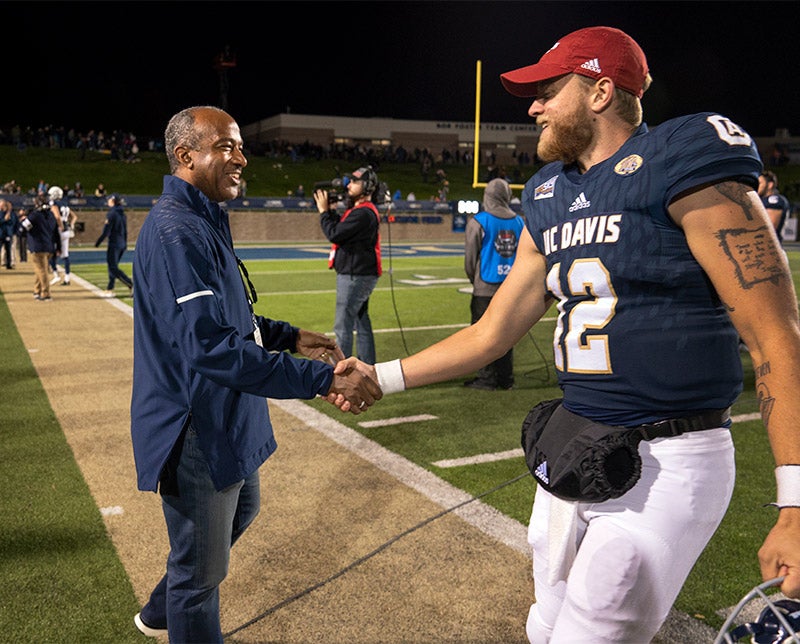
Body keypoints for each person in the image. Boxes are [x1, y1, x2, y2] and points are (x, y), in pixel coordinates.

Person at [338, 25, 800, 643]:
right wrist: (381, 376)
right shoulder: (550, 194)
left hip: (668, 458)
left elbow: (776, 336)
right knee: (545, 625)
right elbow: (490, 333)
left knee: (595, 626)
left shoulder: (680, 159)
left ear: (601, 91)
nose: (533, 107)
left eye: (548, 90)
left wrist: (796, 502)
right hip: (574, 447)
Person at [130, 105, 381, 643]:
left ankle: (157, 612)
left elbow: (232, 317)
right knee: (201, 577)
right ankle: (174, 608)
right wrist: (322, 379)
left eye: (240, 146)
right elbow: (212, 348)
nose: (242, 158)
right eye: (226, 147)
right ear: (186, 156)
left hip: (226, 414)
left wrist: (292, 336)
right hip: (195, 421)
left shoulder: (203, 218)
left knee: (242, 510)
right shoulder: (177, 229)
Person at [314, 165, 383, 365]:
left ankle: (341, 370)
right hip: (360, 272)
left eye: (354, 182)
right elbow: (342, 229)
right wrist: (332, 213)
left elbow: (335, 234)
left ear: (367, 187)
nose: (349, 185)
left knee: (343, 324)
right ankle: (367, 364)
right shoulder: (362, 211)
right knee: (361, 320)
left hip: (355, 274)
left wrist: (324, 213)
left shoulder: (363, 213)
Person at [463, 177, 524, 390]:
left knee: (482, 334)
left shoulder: (479, 221)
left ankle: (486, 378)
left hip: (485, 287)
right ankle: (506, 378)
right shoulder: (519, 221)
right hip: (511, 288)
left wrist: (475, 280)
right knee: (507, 333)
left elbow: (470, 260)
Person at [19, 192, 60, 301]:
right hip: (50, 246)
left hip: (38, 246)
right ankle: (37, 290)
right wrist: (58, 247)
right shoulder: (51, 215)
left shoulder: (35, 215)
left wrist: (23, 221)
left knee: (42, 270)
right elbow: (56, 232)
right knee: (41, 270)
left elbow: (23, 228)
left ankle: (46, 293)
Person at [94, 193, 133, 297]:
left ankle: (131, 284)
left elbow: (106, 231)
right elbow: (125, 231)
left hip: (114, 243)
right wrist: (125, 244)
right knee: (113, 266)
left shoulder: (112, 213)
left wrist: (98, 242)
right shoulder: (122, 214)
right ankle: (110, 288)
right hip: (121, 243)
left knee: (112, 267)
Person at [47, 186, 78, 285]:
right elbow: (74, 217)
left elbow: (57, 217)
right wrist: (71, 225)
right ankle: (67, 278)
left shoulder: (54, 204)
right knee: (65, 254)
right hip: (66, 230)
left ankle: (56, 275)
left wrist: (60, 226)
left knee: (51, 252)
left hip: (58, 230)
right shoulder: (65, 204)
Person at [758, 170, 791, 241]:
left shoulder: (774, 200)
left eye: (760, 183)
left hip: (769, 247)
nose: (757, 186)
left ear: (770, 185)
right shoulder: (760, 200)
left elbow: (770, 228)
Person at [0, 198, 17, 269]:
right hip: (0, 234)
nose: (3, 206)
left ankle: (8, 264)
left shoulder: (11, 214)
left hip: (8, 234)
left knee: (8, 250)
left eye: (4, 205)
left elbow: (14, 222)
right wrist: (4, 220)